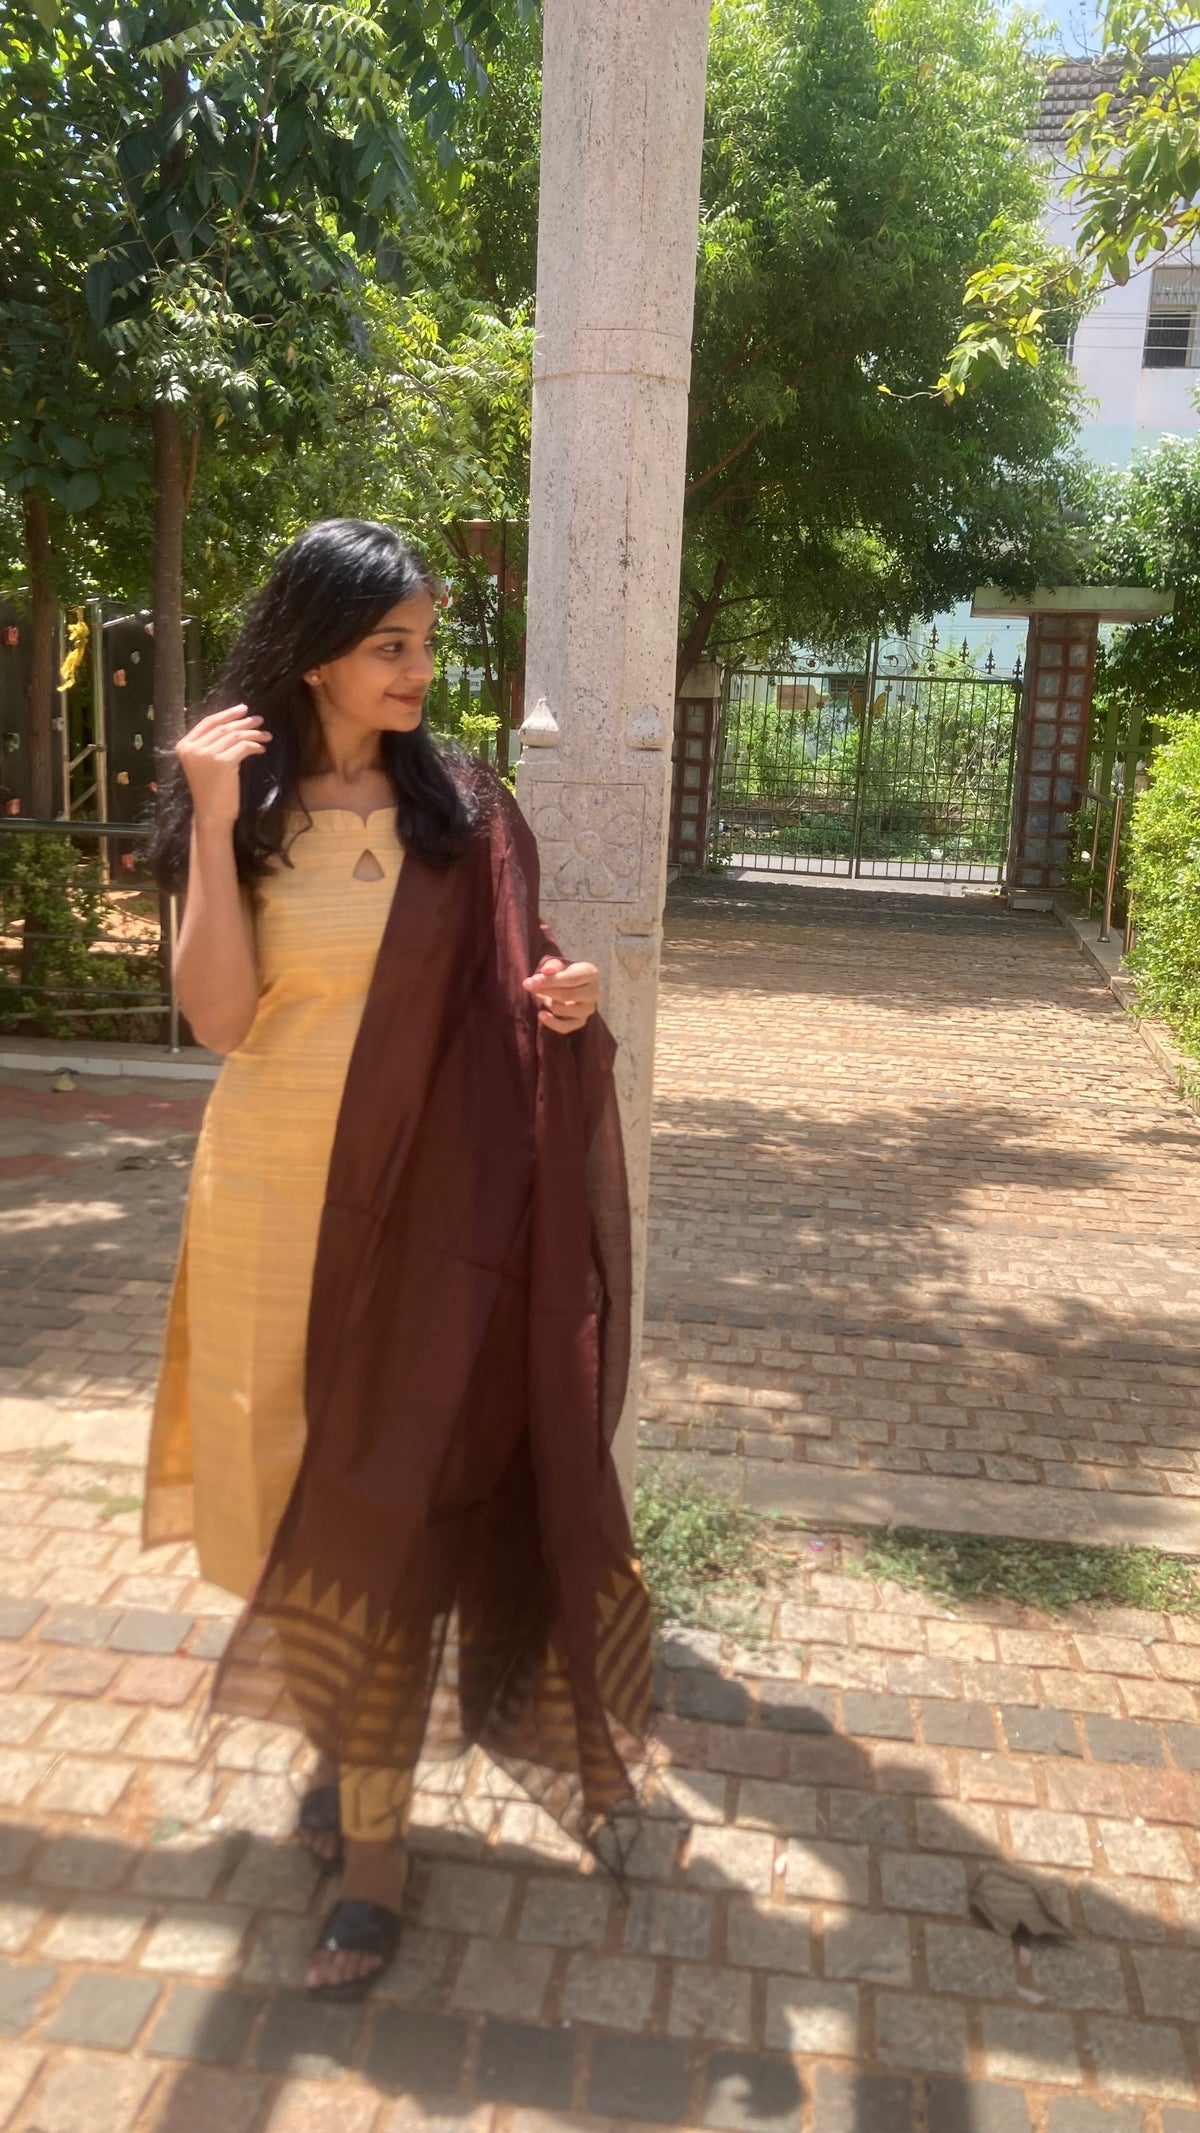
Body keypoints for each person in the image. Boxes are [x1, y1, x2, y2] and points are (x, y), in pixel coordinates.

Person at [146, 519, 652, 2001]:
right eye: (391, 645)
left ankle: (374, 1862)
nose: (419, 669)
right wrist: (211, 814)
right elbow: (219, 1021)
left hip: (428, 1226)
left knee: (389, 1503)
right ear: (316, 652)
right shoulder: (244, 808)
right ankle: (340, 1761)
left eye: (426, 643)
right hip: (270, 1208)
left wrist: (568, 1001)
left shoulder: (466, 816)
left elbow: (520, 985)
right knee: (292, 1500)